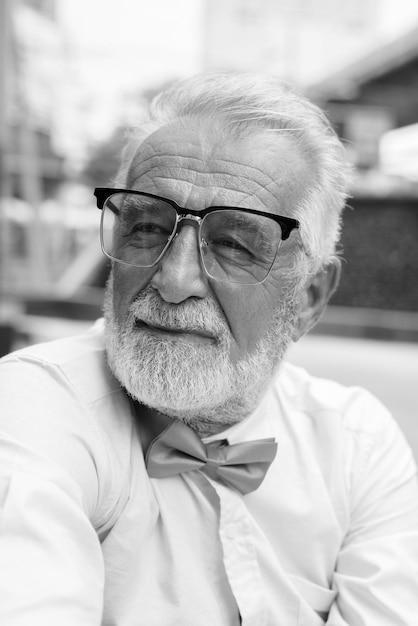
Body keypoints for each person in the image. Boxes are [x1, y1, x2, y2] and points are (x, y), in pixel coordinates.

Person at [0, 73, 417, 626]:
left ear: (309, 298)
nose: (174, 281)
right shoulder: (37, 405)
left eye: (235, 245)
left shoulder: (356, 447)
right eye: (147, 227)